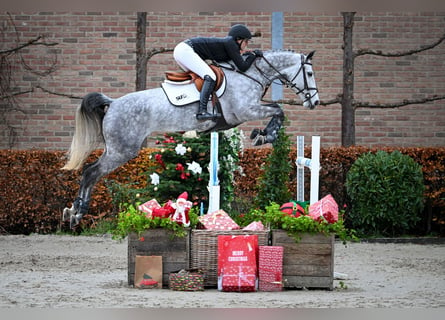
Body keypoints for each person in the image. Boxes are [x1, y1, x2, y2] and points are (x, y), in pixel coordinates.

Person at [173, 24, 263, 120]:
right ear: (238, 40)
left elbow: (235, 60)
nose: (247, 44)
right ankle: (202, 111)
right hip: (186, 51)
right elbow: (243, 67)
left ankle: (190, 107)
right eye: (246, 41)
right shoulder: (231, 43)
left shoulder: (229, 44)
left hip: (183, 50)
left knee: (200, 79)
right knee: (210, 76)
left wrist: (250, 54)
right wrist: (253, 55)